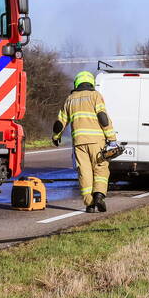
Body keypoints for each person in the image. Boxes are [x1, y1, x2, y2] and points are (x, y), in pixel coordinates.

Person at [51, 71, 118, 213]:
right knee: (100, 168)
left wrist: (56, 137)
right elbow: (103, 118)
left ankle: (89, 203)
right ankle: (99, 196)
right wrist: (112, 138)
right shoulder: (95, 96)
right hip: (97, 141)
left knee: (84, 172)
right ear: (91, 83)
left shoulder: (70, 99)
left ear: (77, 83)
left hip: (79, 143)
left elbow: (60, 122)